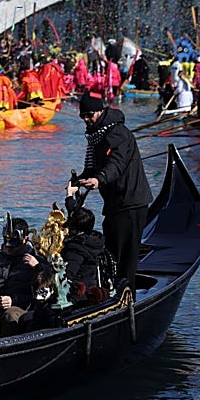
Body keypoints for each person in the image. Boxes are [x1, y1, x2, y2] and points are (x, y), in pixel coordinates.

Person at [73, 93, 152, 293]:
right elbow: (94, 166)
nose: (86, 119)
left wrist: (99, 180)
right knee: (112, 255)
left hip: (131, 203)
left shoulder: (117, 133)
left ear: (100, 111)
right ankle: (114, 295)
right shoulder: (99, 133)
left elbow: (115, 164)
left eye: (89, 115)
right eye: (83, 116)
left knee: (125, 259)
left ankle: (127, 300)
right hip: (116, 204)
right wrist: (79, 180)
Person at [0, 216, 45, 333]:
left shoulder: (36, 262)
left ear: (25, 239)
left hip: (22, 308)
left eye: (13, 244)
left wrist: (14, 300)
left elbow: (43, 295)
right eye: (6, 243)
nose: (8, 248)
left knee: (10, 314)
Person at [59, 206, 112, 301]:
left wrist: (38, 265)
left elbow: (65, 277)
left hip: (78, 296)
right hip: (91, 289)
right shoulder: (95, 242)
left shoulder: (75, 248)